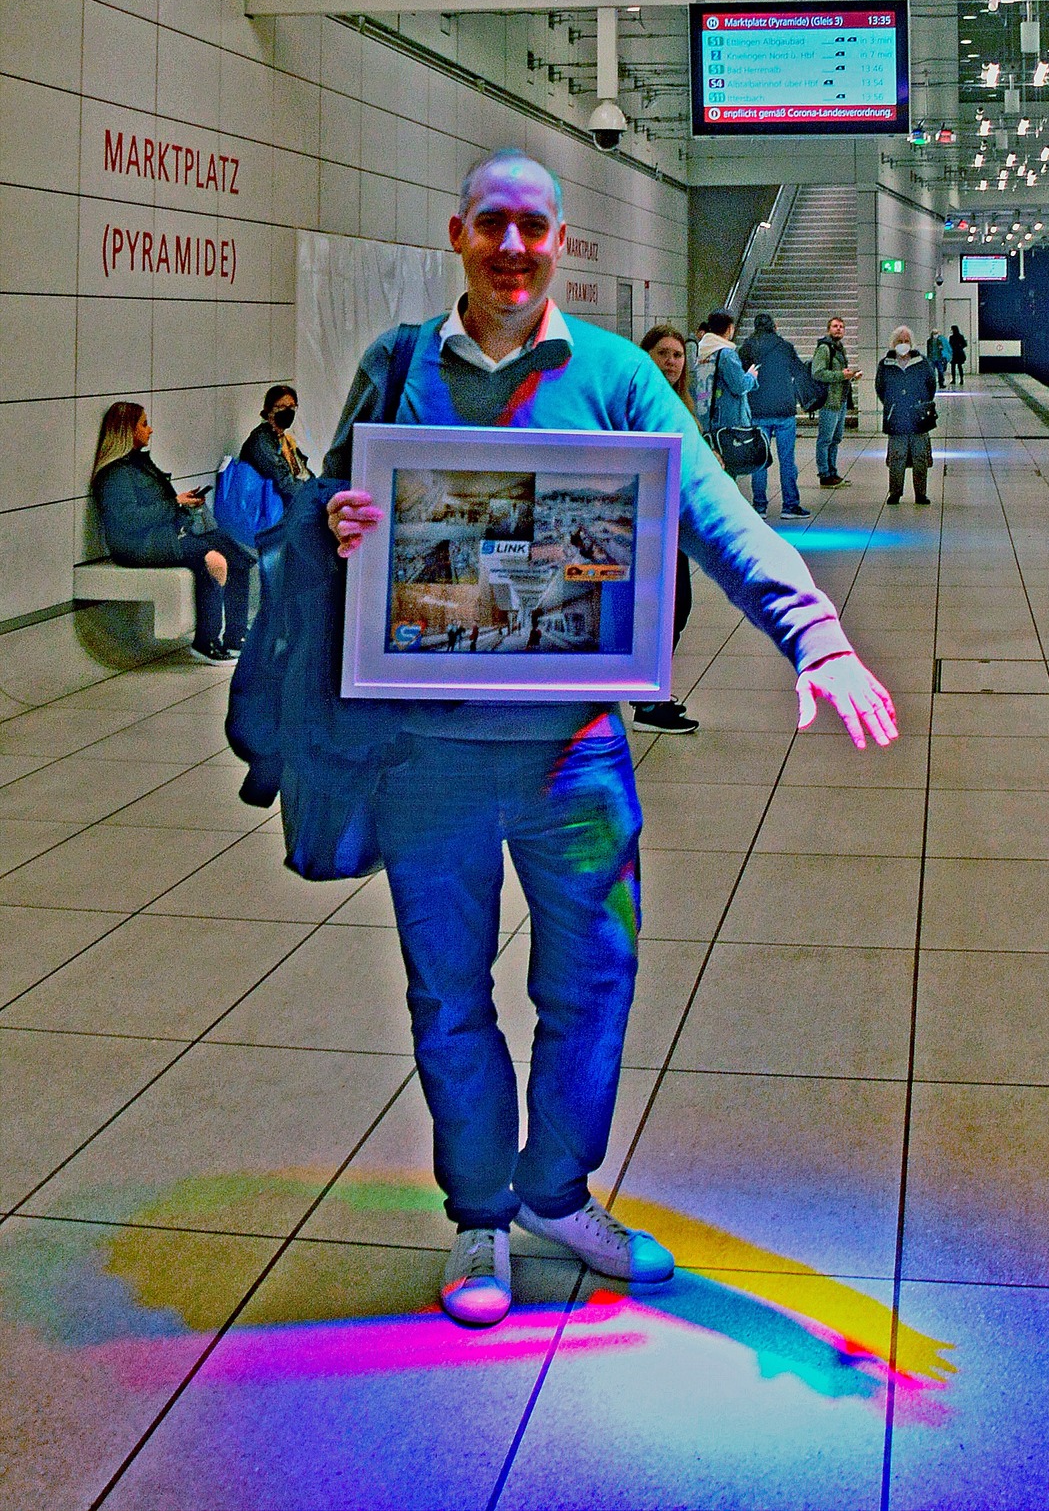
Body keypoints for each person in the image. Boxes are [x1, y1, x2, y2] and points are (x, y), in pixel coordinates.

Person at [315, 149, 896, 1331]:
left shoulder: (622, 377)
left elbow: (716, 519)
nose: (513, 248)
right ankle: (478, 1210)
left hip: (573, 753)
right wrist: (337, 523)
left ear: (562, 241)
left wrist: (814, 630)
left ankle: (555, 1194)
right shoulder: (393, 368)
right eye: (492, 226)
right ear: (458, 232)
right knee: (448, 991)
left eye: (534, 227)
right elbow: (329, 510)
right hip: (426, 750)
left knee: (595, 980)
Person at [91, 401, 255, 660]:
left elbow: (154, 505)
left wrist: (180, 501)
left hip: (160, 537)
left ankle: (237, 633)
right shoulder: (115, 474)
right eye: (143, 424)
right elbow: (128, 519)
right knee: (212, 560)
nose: (150, 430)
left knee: (238, 555)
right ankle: (206, 641)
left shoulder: (138, 464)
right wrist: (174, 503)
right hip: (139, 546)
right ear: (127, 431)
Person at [636, 324, 699, 735]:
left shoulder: (680, 403)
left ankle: (653, 692)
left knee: (677, 606)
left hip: (673, 519)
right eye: (664, 353)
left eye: (677, 355)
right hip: (647, 519)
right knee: (665, 607)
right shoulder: (638, 401)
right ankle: (647, 700)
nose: (672, 362)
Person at [736, 312, 812, 521]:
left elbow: (741, 376)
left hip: (758, 410)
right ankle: (790, 506)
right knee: (787, 460)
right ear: (774, 327)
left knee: (759, 461)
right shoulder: (785, 347)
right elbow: (799, 371)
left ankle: (759, 506)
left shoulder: (748, 347)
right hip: (784, 410)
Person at [875, 327, 938, 505]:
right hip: (896, 417)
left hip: (919, 417)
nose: (903, 344)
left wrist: (922, 403)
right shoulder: (885, 364)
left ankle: (921, 494)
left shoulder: (922, 362)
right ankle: (895, 492)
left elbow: (931, 385)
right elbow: (880, 388)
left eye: (906, 341)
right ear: (893, 344)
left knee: (920, 457)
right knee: (896, 457)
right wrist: (891, 404)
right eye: (899, 341)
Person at [239, 384, 313, 505]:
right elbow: (283, 483)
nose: (288, 411)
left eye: (291, 407)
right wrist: (313, 495)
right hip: (267, 508)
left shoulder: (285, 440)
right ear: (269, 410)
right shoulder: (261, 441)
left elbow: (302, 471)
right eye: (282, 407)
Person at [811, 315, 862, 489]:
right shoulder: (824, 349)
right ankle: (824, 474)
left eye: (841, 326)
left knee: (835, 438)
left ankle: (832, 472)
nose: (838, 329)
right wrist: (841, 375)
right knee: (825, 439)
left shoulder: (839, 348)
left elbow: (840, 374)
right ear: (828, 329)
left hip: (839, 401)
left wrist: (851, 377)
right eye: (835, 326)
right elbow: (817, 373)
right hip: (828, 401)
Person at [694, 309, 757, 437]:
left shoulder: (701, 351)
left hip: (704, 417)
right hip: (728, 422)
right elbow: (740, 386)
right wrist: (751, 376)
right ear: (730, 328)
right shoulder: (727, 355)